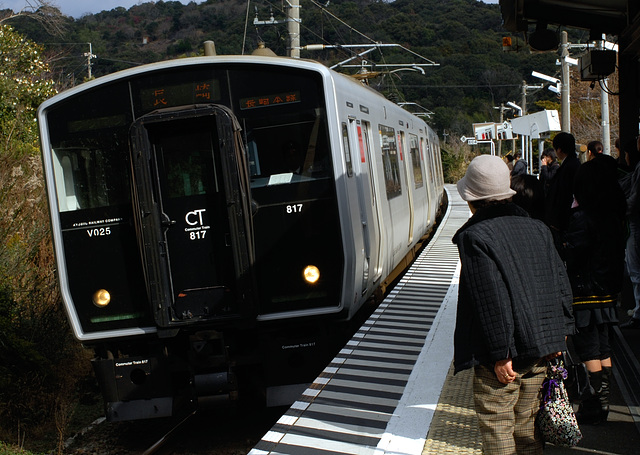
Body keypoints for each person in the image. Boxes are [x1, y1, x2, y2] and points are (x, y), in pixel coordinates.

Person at [453, 155, 574, 455]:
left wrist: (499, 353)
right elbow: (560, 282)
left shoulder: (474, 236)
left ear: (472, 199)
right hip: (542, 348)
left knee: (498, 430)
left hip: (503, 357)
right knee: (527, 431)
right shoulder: (538, 228)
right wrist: (560, 335)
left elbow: (489, 297)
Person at [561, 155, 627, 423]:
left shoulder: (583, 217)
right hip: (607, 290)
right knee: (603, 347)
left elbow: (574, 252)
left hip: (584, 290)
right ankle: (603, 403)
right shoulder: (614, 215)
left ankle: (594, 405)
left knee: (588, 347)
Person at [545, 132, 581, 247]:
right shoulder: (574, 164)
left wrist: (557, 221)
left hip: (564, 222)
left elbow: (564, 195)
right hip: (568, 220)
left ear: (559, 149)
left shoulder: (568, 167)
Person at [621, 136, 640, 329]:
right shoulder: (636, 170)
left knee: (635, 270)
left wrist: (620, 209)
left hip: (636, 222)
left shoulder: (639, 168)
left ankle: (638, 312)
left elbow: (634, 198)